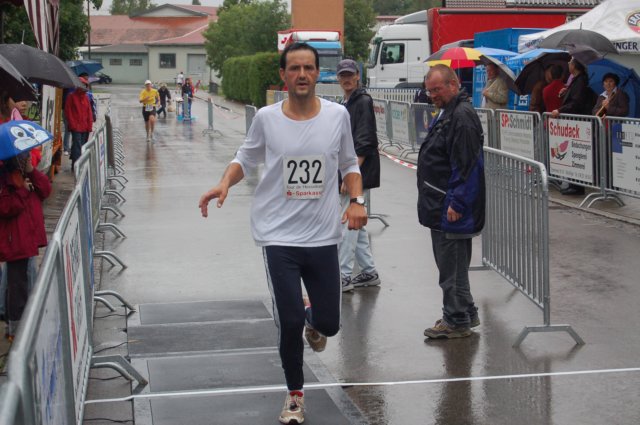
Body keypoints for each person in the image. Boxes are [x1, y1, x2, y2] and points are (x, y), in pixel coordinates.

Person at [198, 42, 367, 424]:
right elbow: (245, 158)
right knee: (288, 323)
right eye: (294, 68)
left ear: (317, 73)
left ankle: (312, 318)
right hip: (278, 236)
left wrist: (357, 200)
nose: (302, 74)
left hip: (323, 236)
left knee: (329, 324)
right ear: (283, 75)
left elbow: (349, 164)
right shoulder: (267, 119)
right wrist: (224, 183)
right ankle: (294, 396)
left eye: (308, 68)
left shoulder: (337, 116)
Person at [417, 64, 485, 339]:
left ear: (453, 85)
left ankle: (456, 320)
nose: (432, 95)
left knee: (451, 268)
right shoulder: (451, 111)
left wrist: (457, 203)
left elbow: (466, 166)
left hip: (449, 206)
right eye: (429, 90)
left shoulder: (461, 116)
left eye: (437, 89)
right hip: (441, 202)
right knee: (453, 266)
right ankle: (464, 312)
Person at [335, 59, 382, 292]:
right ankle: (369, 272)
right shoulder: (347, 102)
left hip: (357, 171)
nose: (346, 79)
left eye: (350, 75)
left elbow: (365, 139)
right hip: (353, 170)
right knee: (356, 223)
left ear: (357, 76)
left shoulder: (362, 101)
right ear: (338, 78)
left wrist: (351, 174)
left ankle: (343, 275)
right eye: (343, 75)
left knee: (347, 221)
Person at [0, 151, 51, 342]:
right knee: (17, 286)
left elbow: (45, 190)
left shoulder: (26, 173)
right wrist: (23, 191)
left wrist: (31, 171)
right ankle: (16, 330)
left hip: (27, 236)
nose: (27, 158)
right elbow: (5, 207)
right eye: (23, 156)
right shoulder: (5, 177)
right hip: (15, 239)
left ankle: (18, 326)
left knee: (19, 283)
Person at [551, 57, 593, 195]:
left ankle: (577, 186)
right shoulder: (575, 80)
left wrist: (560, 110)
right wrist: (566, 91)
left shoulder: (580, 81)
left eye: (570, 62)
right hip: (574, 122)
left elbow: (576, 103)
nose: (568, 64)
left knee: (576, 153)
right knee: (572, 152)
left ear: (574, 66)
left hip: (577, 122)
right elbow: (574, 97)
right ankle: (573, 183)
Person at [64, 76, 94, 171]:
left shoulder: (86, 97)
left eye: (85, 85)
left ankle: (77, 163)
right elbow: (68, 112)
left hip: (85, 127)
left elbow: (89, 112)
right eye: (83, 85)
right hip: (76, 127)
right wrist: (73, 125)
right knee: (77, 146)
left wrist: (89, 125)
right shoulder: (71, 96)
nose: (84, 87)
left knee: (82, 146)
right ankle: (76, 165)